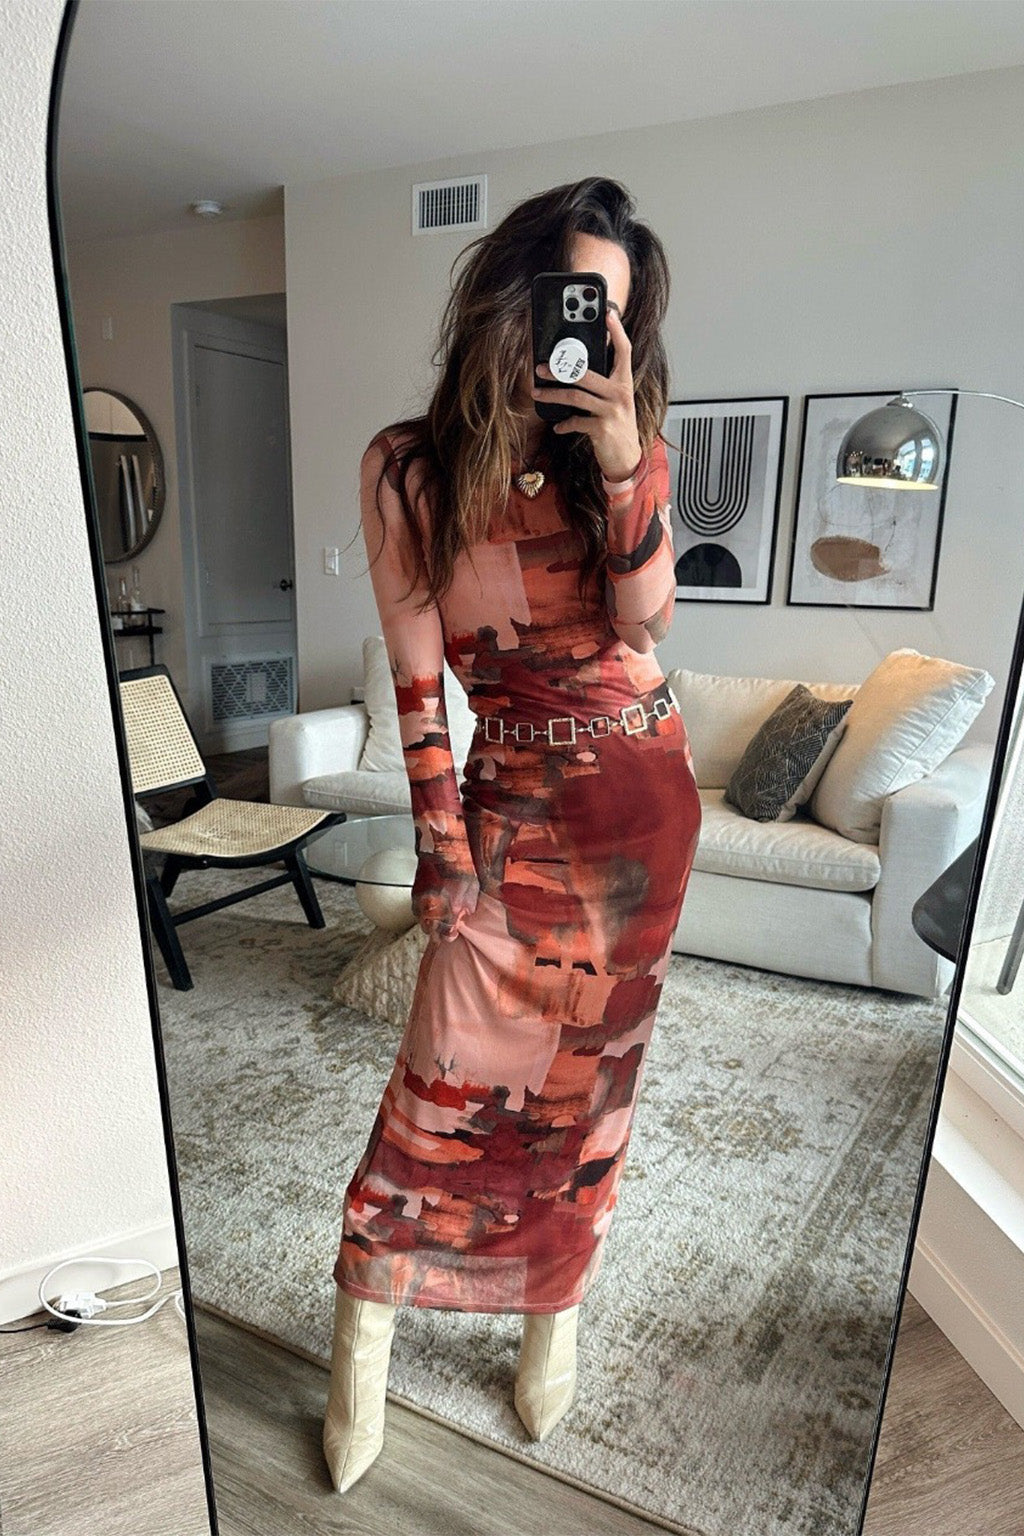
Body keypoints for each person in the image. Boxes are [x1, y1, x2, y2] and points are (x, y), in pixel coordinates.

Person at [322, 176, 702, 1493]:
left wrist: (625, 454)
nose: (591, 332)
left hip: (640, 808)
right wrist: (441, 845)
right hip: (511, 801)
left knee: (583, 1097)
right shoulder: (408, 468)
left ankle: (554, 1314)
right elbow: (417, 675)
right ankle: (365, 1332)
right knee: (442, 1083)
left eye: (617, 315)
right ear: (513, 291)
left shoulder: (628, 450)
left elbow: (648, 620)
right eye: (575, 297)